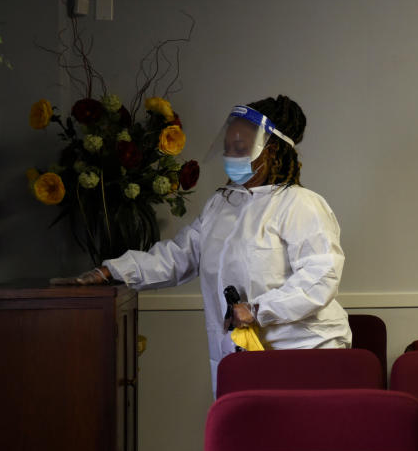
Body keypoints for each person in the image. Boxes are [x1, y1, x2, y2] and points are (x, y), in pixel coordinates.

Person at [55, 95, 351, 394]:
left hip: (303, 353)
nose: (230, 154)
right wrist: (111, 271)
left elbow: (321, 277)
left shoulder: (301, 204)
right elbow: (177, 256)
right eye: (228, 147)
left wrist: (259, 309)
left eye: (240, 147)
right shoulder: (220, 206)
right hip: (243, 354)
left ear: (271, 149)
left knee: (296, 437)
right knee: (247, 434)